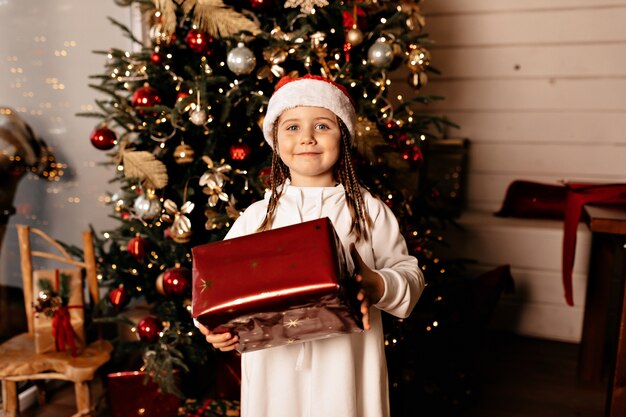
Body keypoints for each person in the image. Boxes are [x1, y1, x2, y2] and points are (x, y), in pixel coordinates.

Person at [195, 74, 425, 417]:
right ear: (275, 138)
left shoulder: (367, 210)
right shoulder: (258, 217)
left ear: (343, 137)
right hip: (275, 374)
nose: (306, 138)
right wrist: (212, 328)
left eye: (322, 126)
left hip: (346, 370)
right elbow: (215, 288)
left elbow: (410, 277)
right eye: (291, 127)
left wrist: (376, 283)